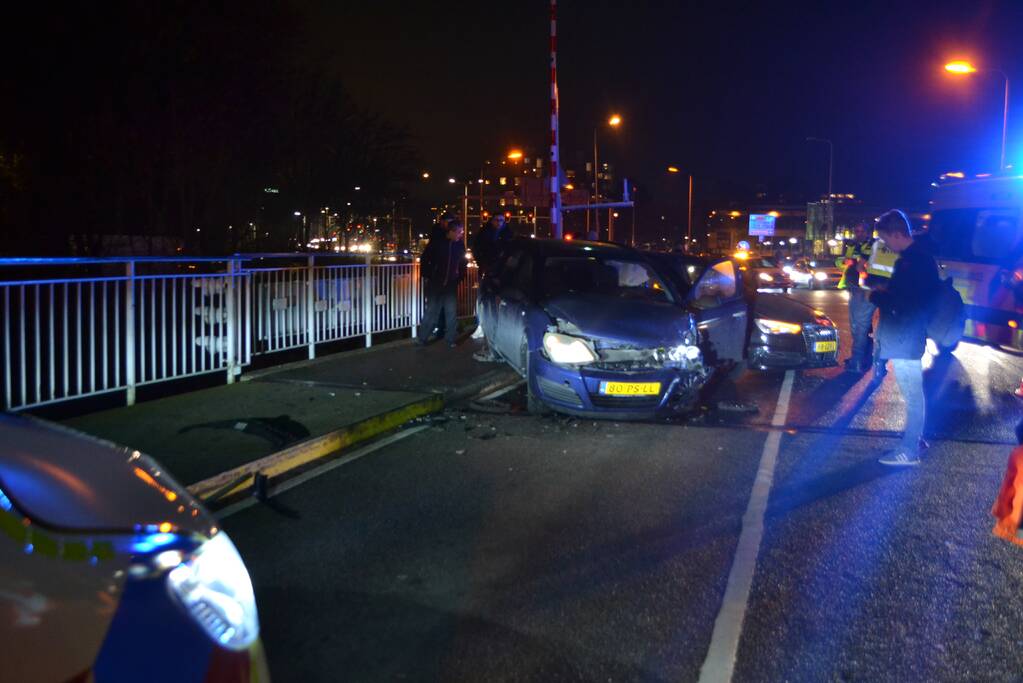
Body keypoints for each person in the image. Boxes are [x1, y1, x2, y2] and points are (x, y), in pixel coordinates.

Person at [869, 209, 940, 466]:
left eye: (886, 239)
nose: (886, 245)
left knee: (912, 394)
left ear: (897, 234)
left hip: (905, 336)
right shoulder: (920, 258)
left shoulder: (913, 262)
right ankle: (915, 440)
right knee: (913, 392)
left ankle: (909, 451)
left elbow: (905, 302)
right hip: (908, 333)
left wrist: (877, 295)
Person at [416, 220, 466, 347]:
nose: (461, 234)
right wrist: (429, 275)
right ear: (451, 231)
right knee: (432, 311)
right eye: (459, 232)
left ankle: (450, 339)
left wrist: (459, 277)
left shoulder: (459, 245)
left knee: (451, 312)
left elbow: (462, 263)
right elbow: (425, 259)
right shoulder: (437, 243)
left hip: (451, 283)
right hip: (436, 282)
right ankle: (422, 338)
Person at [836, 221, 876, 373]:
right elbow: (841, 262)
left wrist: (852, 261)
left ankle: (858, 360)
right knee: (857, 325)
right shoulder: (851, 245)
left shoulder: (872, 244)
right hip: (853, 286)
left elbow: (863, 262)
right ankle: (862, 357)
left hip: (865, 288)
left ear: (868, 232)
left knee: (860, 326)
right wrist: (844, 261)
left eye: (862, 231)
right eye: (857, 231)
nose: (859, 234)